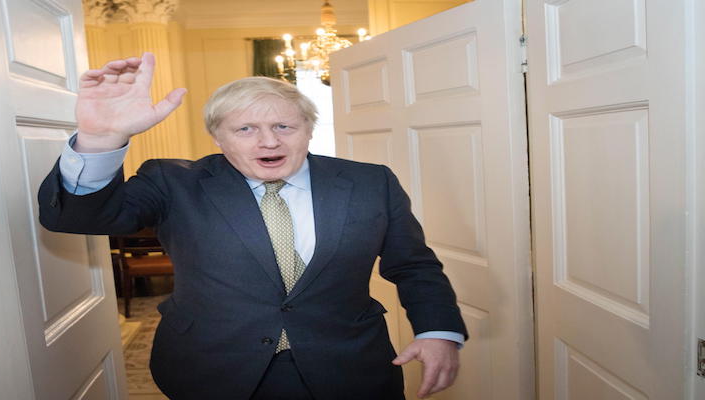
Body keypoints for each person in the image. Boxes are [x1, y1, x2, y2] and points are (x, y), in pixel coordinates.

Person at [38, 52, 467, 400]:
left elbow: (414, 266)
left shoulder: (370, 182)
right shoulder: (173, 182)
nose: (269, 141)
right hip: (213, 371)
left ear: (308, 131)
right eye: (245, 128)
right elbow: (77, 217)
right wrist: (101, 138)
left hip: (349, 369)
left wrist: (438, 331)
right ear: (218, 139)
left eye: (284, 126)